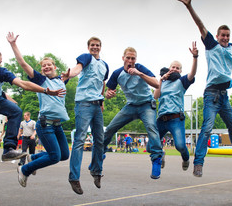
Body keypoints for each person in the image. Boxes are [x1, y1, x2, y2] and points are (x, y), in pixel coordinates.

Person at [177, 0, 232, 177]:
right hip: (211, 94)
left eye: (227, 36)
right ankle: (198, 163)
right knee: (207, 128)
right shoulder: (211, 45)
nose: (225, 38)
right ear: (217, 36)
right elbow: (200, 25)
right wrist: (189, 7)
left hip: (224, 96)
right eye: (222, 35)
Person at [7, 32, 70, 188]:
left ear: (55, 67)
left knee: (64, 155)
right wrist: (13, 44)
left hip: (57, 125)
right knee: (54, 157)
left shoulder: (61, 81)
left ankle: (33, 159)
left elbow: (73, 72)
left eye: (49, 64)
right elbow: (23, 64)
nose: (46, 67)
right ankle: (25, 169)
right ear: (42, 70)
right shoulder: (42, 81)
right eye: (43, 66)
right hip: (45, 125)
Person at [102, 47, 164, 179]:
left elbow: (157, 84)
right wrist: (109, 94)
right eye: (128, 58)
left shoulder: (140, 68)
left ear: (136, 59)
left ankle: (157, 159)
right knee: (110, 128)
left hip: (146, 104)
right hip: (130, 106)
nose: (130, 61)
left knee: (152, 129)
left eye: (133, 58)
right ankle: (99, 155)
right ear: (123, 58)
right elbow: (108, 93)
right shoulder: (117, 73)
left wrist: (139, 73)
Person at [61, 37, 109, 195]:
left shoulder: (104, 65)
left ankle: (96, 171)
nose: (95, 47)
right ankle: (74, 177)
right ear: (88, 47)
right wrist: (70, 75)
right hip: (84, 104)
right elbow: (78, 68)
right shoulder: (86, 57)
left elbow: (101, 82)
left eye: (97, 45)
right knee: (80, 139)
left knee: (100, 141)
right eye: (92, 45)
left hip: (97, 105)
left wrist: (102, 100)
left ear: (100, 47)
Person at [154, 41, 198, 171]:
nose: (174, 69)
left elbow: (192, 74)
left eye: (177, 68)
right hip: (161, 119)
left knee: (179, 145)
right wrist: (161, 80)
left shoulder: (181, 81)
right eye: (172, 67)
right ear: (169, 68)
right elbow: (155, 96)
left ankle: (185, 157)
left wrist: (195, 57)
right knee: (151, 146)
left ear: (180, 71)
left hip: (175, 119)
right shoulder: (162, 81)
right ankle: (161, 154)